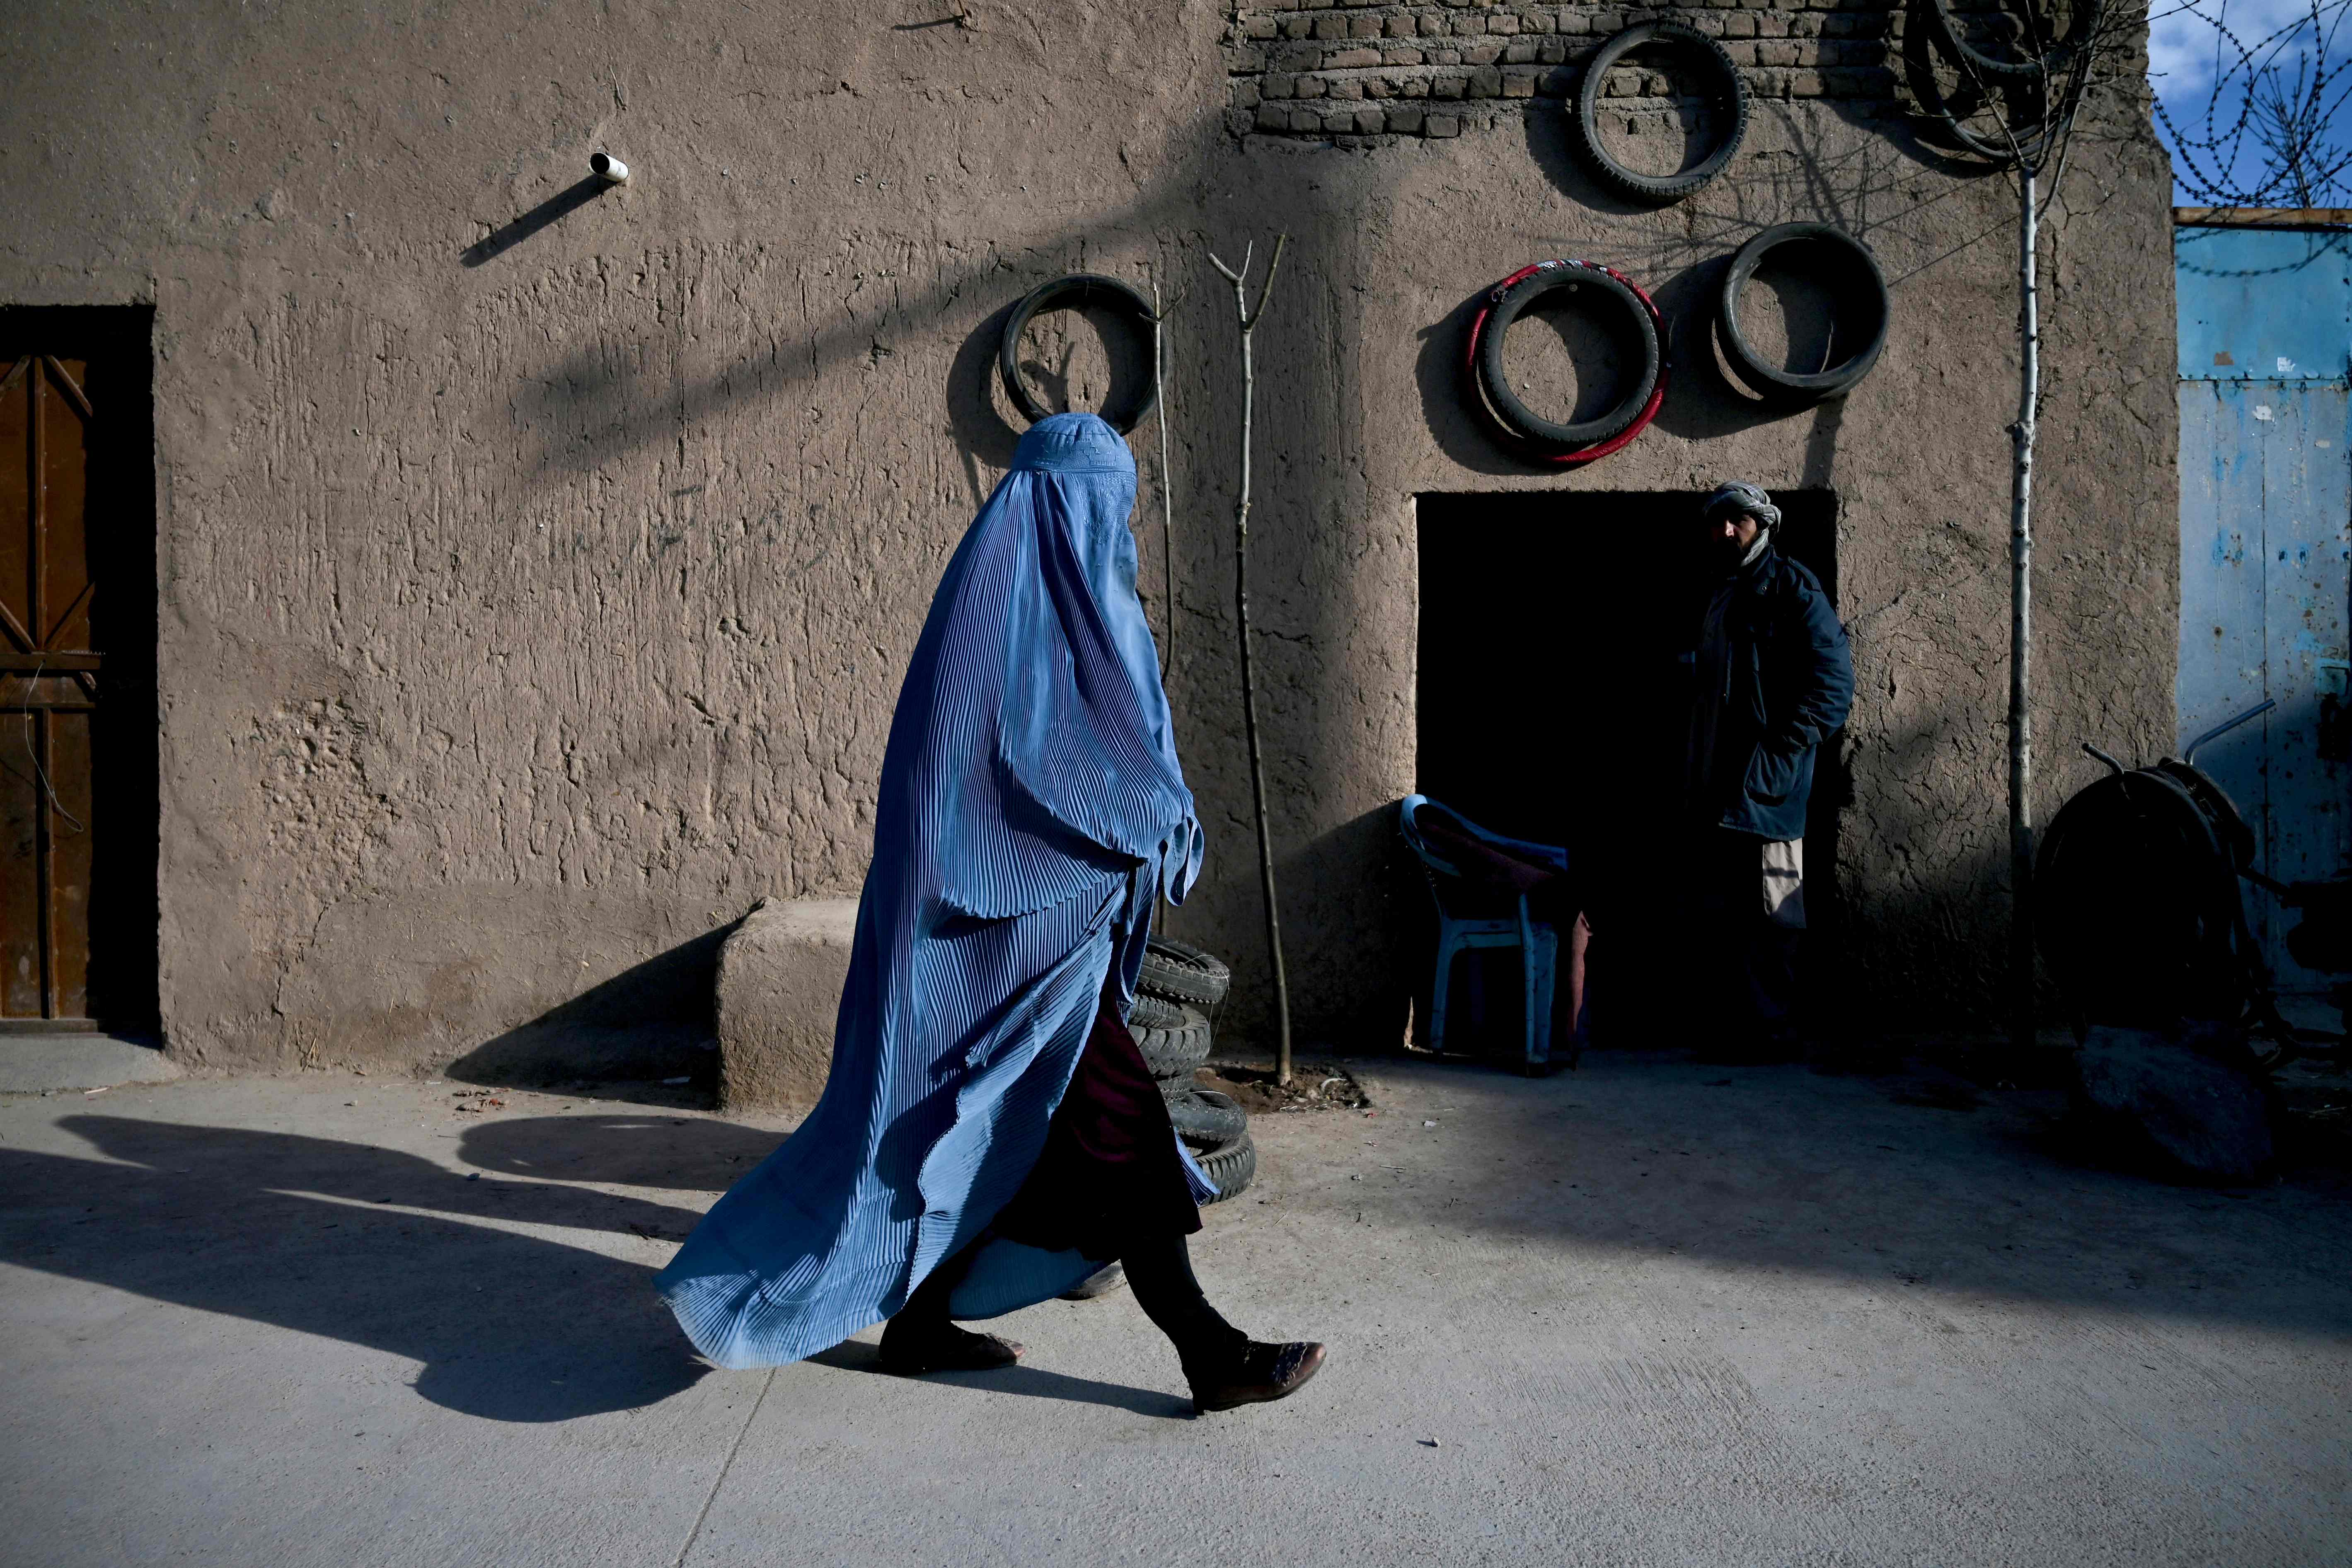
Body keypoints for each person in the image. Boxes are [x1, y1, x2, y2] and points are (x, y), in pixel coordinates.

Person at [655, 412, 1326, 1413]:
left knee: (1001, 1133)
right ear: (1060, 505)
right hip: (980, 952)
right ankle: (1209, 1351)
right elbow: (981, 801)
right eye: (1101, 509)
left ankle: (920, 1327)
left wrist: (1149, 819)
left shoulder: (1085, 607)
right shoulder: (997, 613)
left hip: (1051, 952)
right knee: (1121, 1124)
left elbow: (1111, 749)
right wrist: (1134, 822)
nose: (1115, 531)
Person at [1683, 481, 1855, 1055]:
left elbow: (1832, 686)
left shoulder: (1790, 586)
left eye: (1738, 521)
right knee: (1728, 910)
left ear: (1764, 523)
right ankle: (1735, 1029)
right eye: (1718, 522)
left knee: (1774, 909)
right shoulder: (1723, 590)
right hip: (1718, 783)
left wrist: (1781, 752)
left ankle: (1773, 1031)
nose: (1726, 531)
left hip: (1766, 787)